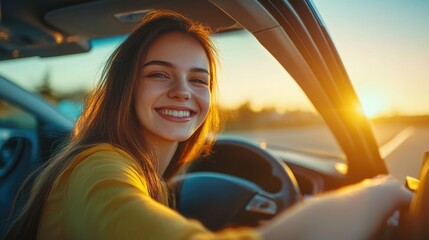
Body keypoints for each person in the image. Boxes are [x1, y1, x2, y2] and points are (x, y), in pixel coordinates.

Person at [4, 10, 412, 240]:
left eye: (199, 80)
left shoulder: (138, 173)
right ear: (125, 88)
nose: (184, 91)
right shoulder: (98, 168)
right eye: (160, 74)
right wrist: (379, 192)